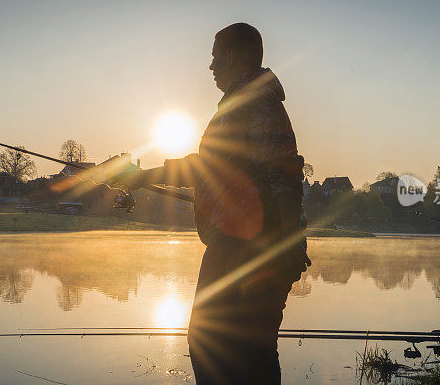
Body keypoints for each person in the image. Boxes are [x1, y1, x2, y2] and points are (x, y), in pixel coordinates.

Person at [114, 22, 310, 384]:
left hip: (245, 247)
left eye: (215, 56)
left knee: (209, 342)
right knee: (254, 351)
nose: (211, 66)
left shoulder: (251, 104)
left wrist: (284, 247)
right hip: (255, 245)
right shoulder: (249, 102)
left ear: (232, 55)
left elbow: (281, 176)